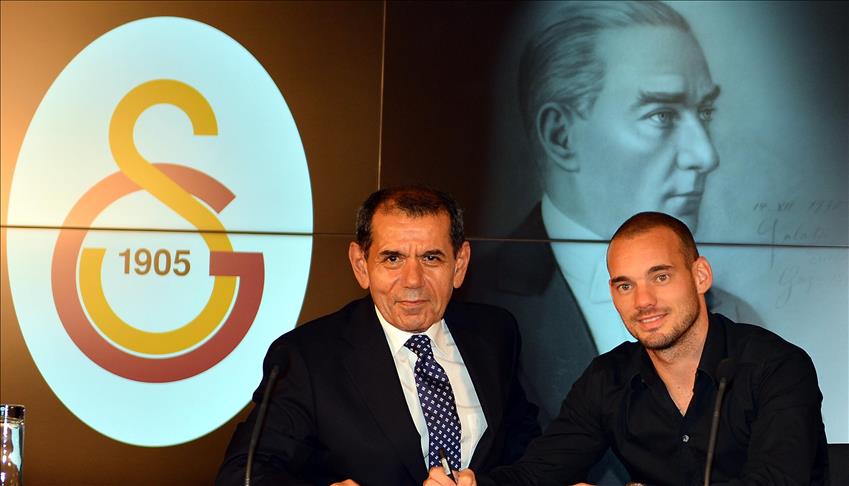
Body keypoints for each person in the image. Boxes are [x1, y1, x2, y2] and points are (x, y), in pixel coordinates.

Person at [459, 0, 761, 427]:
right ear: (560, 135)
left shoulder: (736, 314)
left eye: (704, 112)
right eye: (661, 114)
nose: (705, 155)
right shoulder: (474, 300)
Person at [428, 212, 829, 486]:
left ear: (700, 275)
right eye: (625, 285)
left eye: (660, 277)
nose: (643, 301)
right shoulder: (609, 379)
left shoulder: (776, 367)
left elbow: (776, 481)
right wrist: (475, 483)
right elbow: (539, 472)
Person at [216, 186, 540, 485]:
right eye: (392, 259)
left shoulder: (495, 333)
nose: (413, 280)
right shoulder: (307, 358)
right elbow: (243, 473)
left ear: (459, 265)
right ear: (361, 265)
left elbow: (527, 451)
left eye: (431, 258)